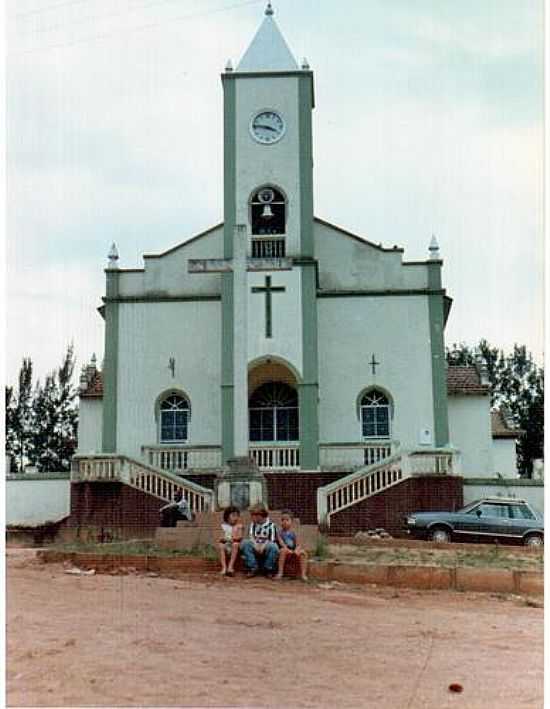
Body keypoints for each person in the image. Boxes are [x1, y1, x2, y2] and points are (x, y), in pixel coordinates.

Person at [240, 504, 279, 578]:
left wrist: (262, 546)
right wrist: (256, 545)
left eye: (253, 515)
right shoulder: (253, 525)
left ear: (259, 515)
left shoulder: (271, 525)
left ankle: (268, 569)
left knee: (274, 547)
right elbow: (251, 537)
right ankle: (253, 567)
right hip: (256, 546)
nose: (251, 517)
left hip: (265, 547)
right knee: (245, 543)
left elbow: (272, 540)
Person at [275, 510, 308, 581]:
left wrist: (296, 550)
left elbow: (298, 544)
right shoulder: (279, 533)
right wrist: (287, 550)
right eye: (282, 520)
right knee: (282, 551)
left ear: (291, 521)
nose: (284, 522)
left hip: (294, 551)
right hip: (285, 551)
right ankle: (280, 572)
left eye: (287, 520)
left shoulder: (294, 533)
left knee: (303, 553)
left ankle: (303, 574)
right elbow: (282, 544)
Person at [219, 506, 243, 577]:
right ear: (227, 517)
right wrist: (224, 539)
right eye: (233, 515)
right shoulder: (223, 526)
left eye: (237, 516)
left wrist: (234, 538)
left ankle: (230, 567)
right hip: (227, 544)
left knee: (235, 544)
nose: (235, 518)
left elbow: (240, 537)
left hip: (235, 545)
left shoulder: (239, 526)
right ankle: (224, 567)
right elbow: (220, 537)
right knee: (221, 545)